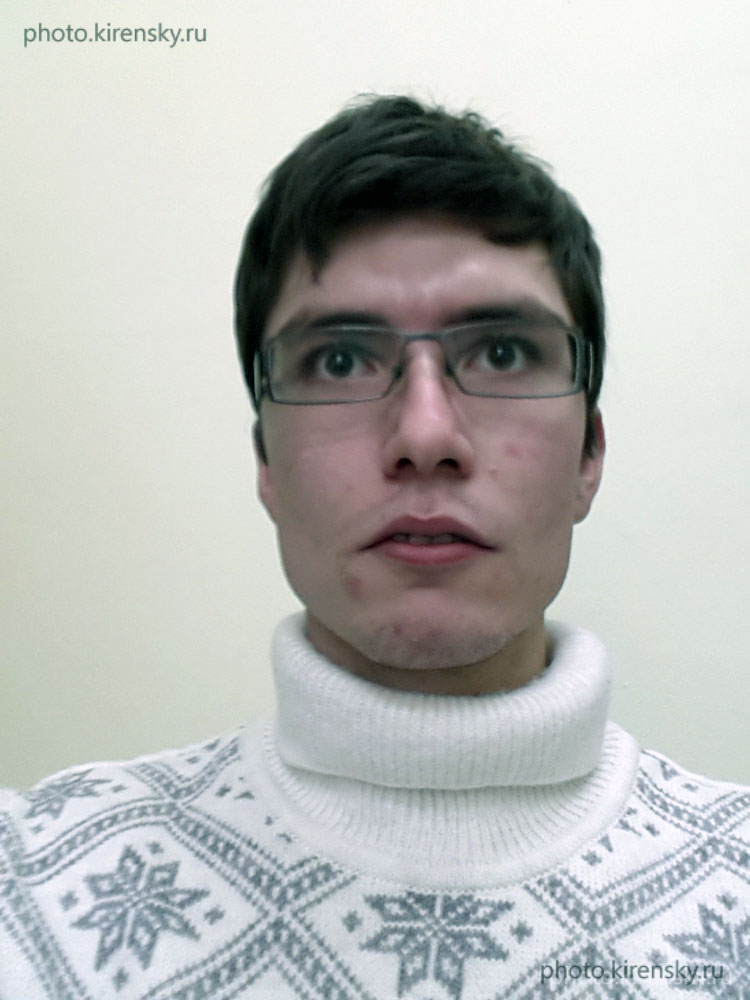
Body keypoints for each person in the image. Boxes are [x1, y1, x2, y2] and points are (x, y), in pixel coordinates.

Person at [1, 95, 747, 1000]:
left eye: (503, 353)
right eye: (341, 360)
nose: (425, 434)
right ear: (266, 462)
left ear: (589, 455)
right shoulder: (32, 882)